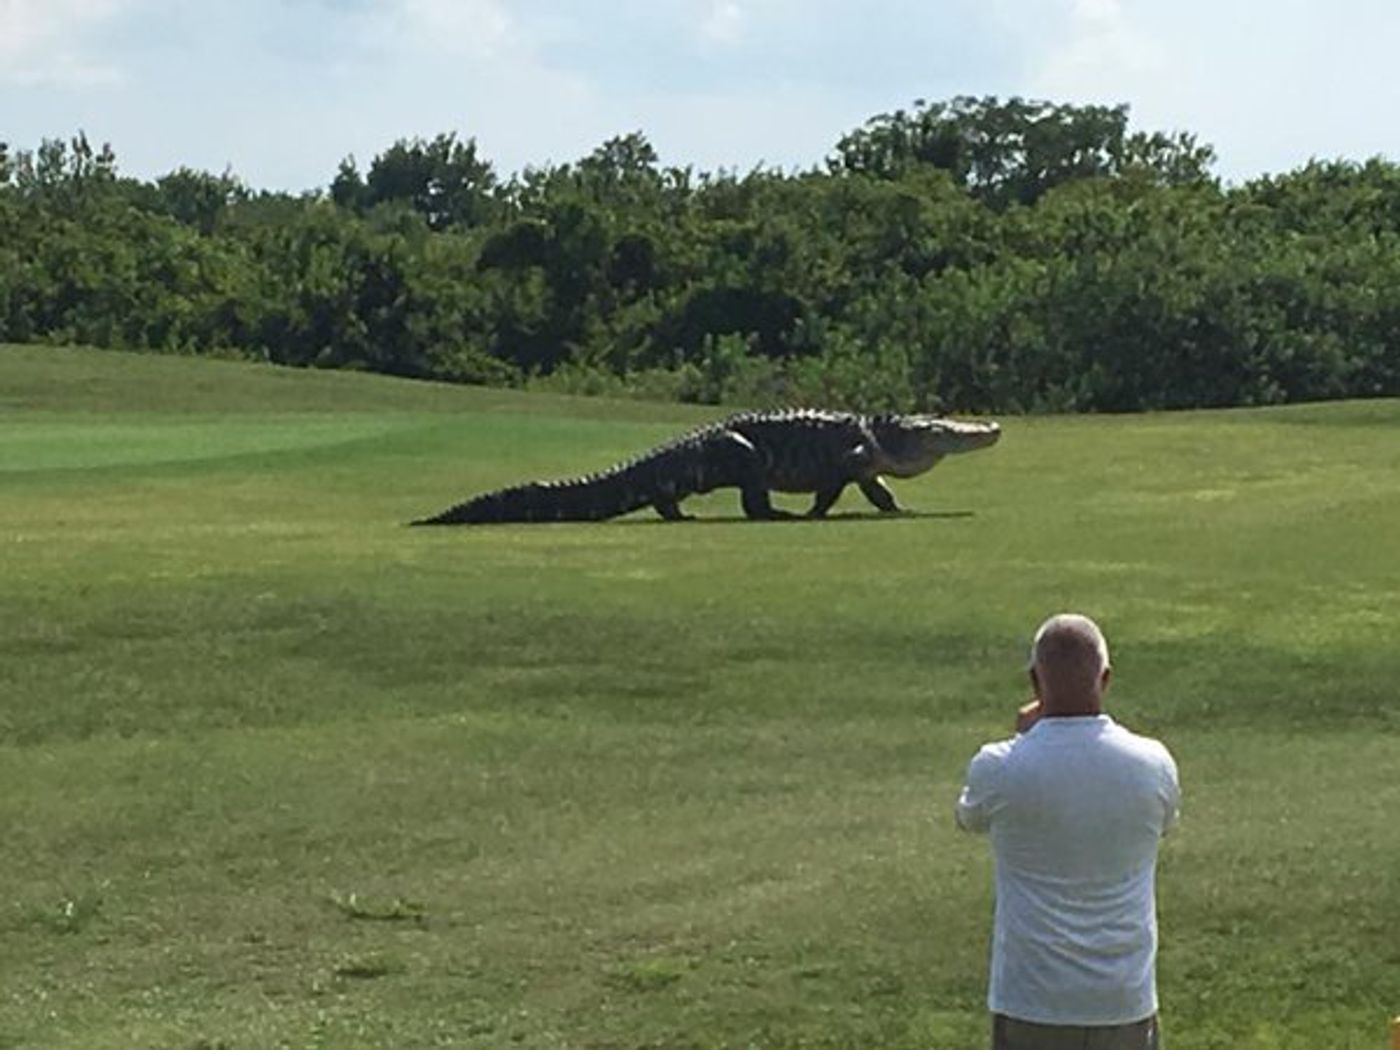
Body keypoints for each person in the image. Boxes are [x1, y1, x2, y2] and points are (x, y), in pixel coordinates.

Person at [955, 613, 1181, 1050]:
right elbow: (1165, 823)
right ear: (1105, 678)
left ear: (1035, 682)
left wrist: (1024, 737)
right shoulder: (1153, 765)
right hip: (1124, 997)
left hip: (1032, 999)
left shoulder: (999, 767)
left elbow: (968, 816)